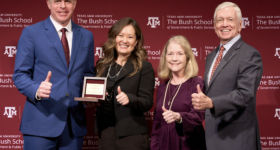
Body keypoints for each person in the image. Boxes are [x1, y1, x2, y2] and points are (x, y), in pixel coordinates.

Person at [13, 0, 94, 149]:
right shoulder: (31, 32)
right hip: (40, 123)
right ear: (48, 4)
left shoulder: (87, 36)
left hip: (74, 126)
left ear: (75, 4)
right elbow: (20, 74)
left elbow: (88, 73)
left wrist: (92, 94)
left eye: (68, 1)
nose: (63, 6)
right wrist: (36, 89)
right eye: (57, 1)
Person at [191, 2, 263, 150]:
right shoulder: (211, 56)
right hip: (213, 135)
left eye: (230, 19)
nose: (224, 24)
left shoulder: (250, 54)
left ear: (240, 25)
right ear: (214, 25)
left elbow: (245, 94)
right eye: (220, 20)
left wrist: (212, 103)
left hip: (237, 137)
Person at [94, 17, 155, 150]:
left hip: (132, 136)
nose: (124, 41)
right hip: (105, 133)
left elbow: (147, 102)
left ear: (136, 41)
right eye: (120, 35)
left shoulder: (144, 66)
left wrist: (130, 99)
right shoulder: (102, 65)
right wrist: (92, 100)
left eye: (130, 37)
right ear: (114, 38)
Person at [150, 35, 206, 150]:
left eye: (180, 54)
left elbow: (198, 115)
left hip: (188, 144)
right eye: (170, 53)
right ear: (165, 57)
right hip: (164, 145)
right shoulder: (162, 87)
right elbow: (157, 124)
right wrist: (154, 147)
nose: (174, 58)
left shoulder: (196, 83)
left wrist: (179, 117)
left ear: (187, 57)